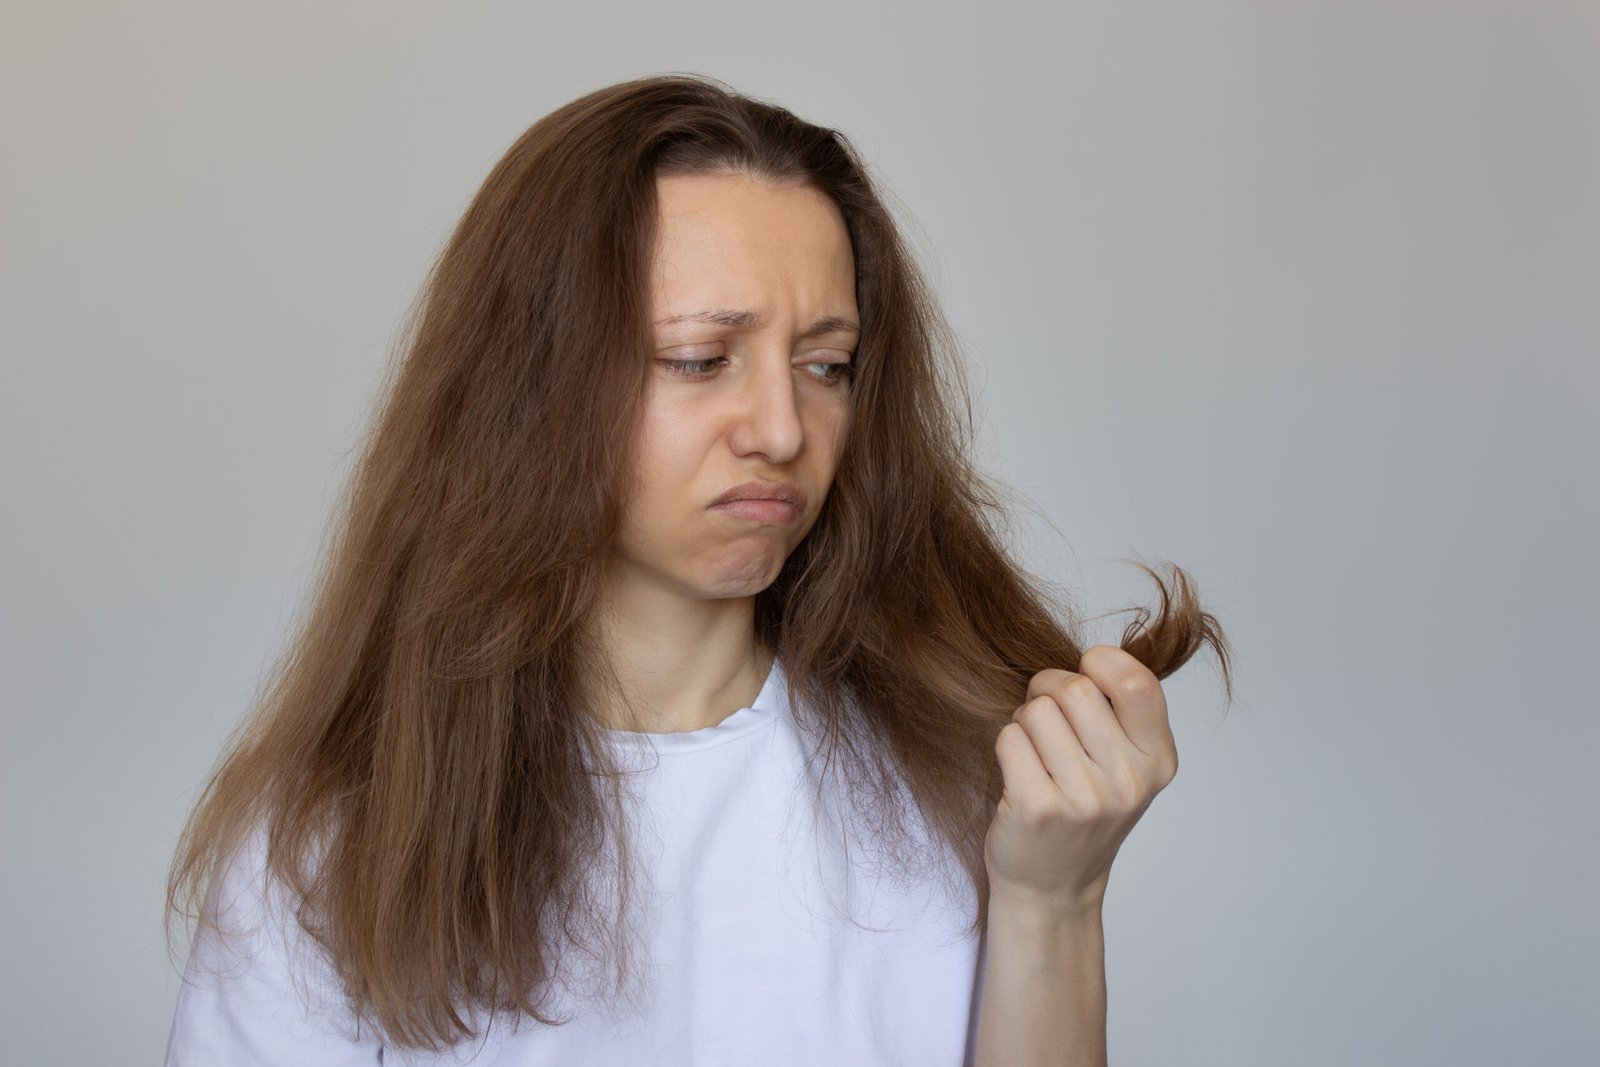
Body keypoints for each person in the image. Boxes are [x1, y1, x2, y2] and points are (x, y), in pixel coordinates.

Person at [163, 72, 1232, 1066]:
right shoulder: (323, 845)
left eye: (826, 365)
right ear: (531, 384)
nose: (782, 428)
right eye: (700, 358)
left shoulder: (968, 786)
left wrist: (1056, 901)